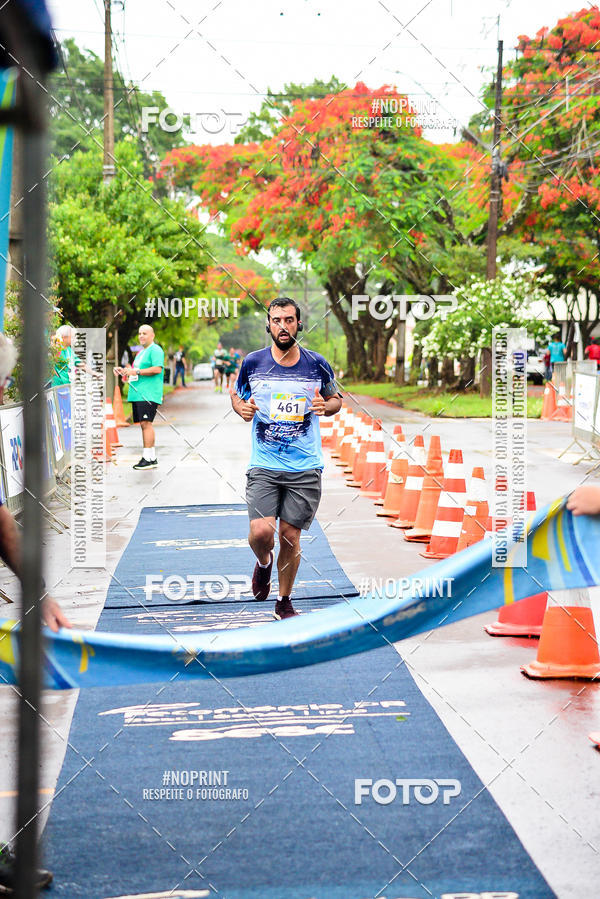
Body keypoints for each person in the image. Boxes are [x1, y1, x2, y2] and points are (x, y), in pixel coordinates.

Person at [230, 297, 342, 620]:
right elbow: (237, 394)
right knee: (262, 533)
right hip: (264, 464)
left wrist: (326, 407)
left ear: (299, 324)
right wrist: (242, 409)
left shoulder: (316, 364)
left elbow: (336, 399)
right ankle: (264, 563)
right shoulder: (253, 362)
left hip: (304, 467)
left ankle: (284, 601)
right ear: (269, 325)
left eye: (289, 320)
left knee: (290, 537)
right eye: (277, 320)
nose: (283, 326)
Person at [114, 324, 164, 470]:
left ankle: (147, 458)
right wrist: (124, 371)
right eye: (140, 333)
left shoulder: (155, 350)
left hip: (148, 393)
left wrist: (137, 372)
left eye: (145, 333)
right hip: (138, 393)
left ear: (152, 335)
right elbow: (136, 371)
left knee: (146, 423)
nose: (141, 336)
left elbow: (157, 369)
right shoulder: (141, 353)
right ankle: (151, 457)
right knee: (143, 424)